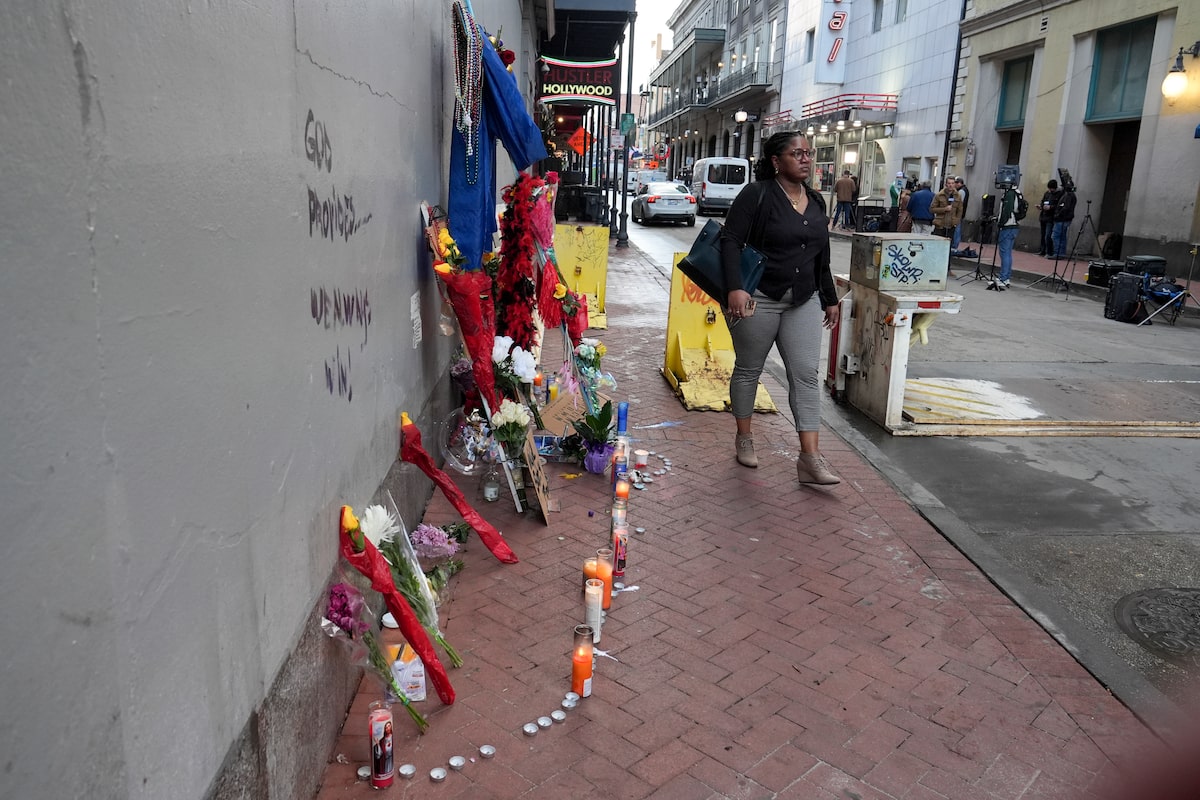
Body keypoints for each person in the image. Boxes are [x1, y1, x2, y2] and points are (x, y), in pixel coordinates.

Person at [722, 131, 841, 485]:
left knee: (805, 375)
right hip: (759, 296)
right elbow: (730, 240)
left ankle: (810, 459)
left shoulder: (817, 201)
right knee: (748, 370)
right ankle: (744, 437)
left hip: (803, 299)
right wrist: (735, 289)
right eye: (797, 153)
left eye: (809, 153)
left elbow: (821, 254)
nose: (806, 159)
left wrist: (830, 296)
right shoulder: (756, 194)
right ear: (777, 161)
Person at [989, 183, 1023, 291]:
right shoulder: (1017, 192)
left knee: (1004, 253)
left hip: (1007, 226)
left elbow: (1006, 211)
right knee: (1008, 253)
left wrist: (1000, 223)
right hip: (1014, 226)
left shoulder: (1010, 194)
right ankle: (1006, 277)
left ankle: (1003, 278)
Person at [1050, 177, 1076, 259]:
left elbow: (1065, 207)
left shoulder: (1068, 195)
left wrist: (1057, 215)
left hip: (1062, 219)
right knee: (1062, 236)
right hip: (1065, 218)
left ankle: (1058, 253)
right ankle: (1061, 253)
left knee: (1056, 236)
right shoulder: (1071, 195)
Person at [1037, 179, 1061, 256]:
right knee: (1043, 235)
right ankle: (1042, 250)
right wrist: (1041, 206)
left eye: (1051, 188)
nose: (1050, 190)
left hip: (1051, 218)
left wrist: (1050, 207)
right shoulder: (1047, 193)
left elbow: (1058, 206)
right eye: (1049, 188)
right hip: (1043, 216)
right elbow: (1043, 201)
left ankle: (1049, 252)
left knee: (1048, 235)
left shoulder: (1059, 194)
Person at [951, 176, 970, 251]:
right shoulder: (963, 190)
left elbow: (958, 202)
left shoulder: (961, 191)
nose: (954, 185)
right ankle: (955, 244)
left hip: (958, 213)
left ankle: (955, 245)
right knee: (957, 229)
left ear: (959, 183)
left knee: (957, 229)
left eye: (955, 183)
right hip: (960, 213)